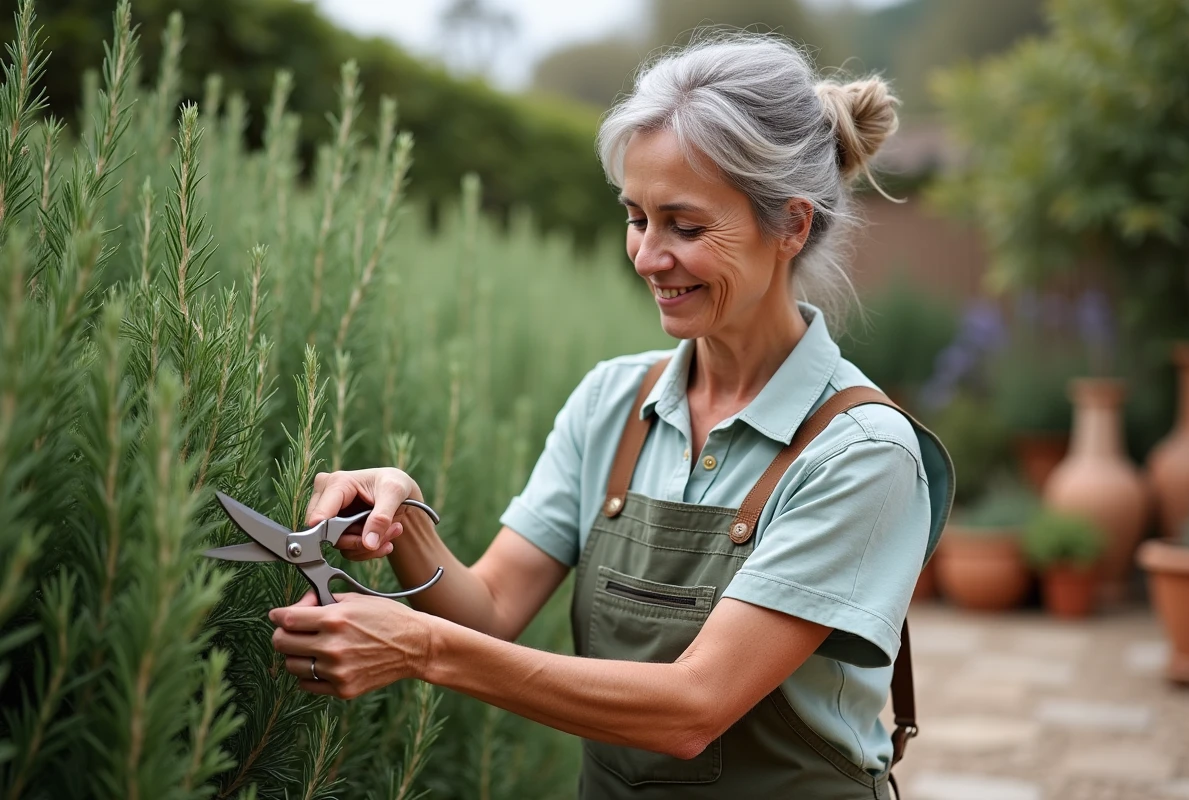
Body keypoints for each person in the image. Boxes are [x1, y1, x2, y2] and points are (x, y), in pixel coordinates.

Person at [268, 31, 954, 799]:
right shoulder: (612, 402)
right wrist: (402, 515)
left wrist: (421, 648)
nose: (647, 256)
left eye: (686, 227)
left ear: (791, 225)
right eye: (637, 217)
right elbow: (490, 610)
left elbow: (693, 708)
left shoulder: (862, 452)